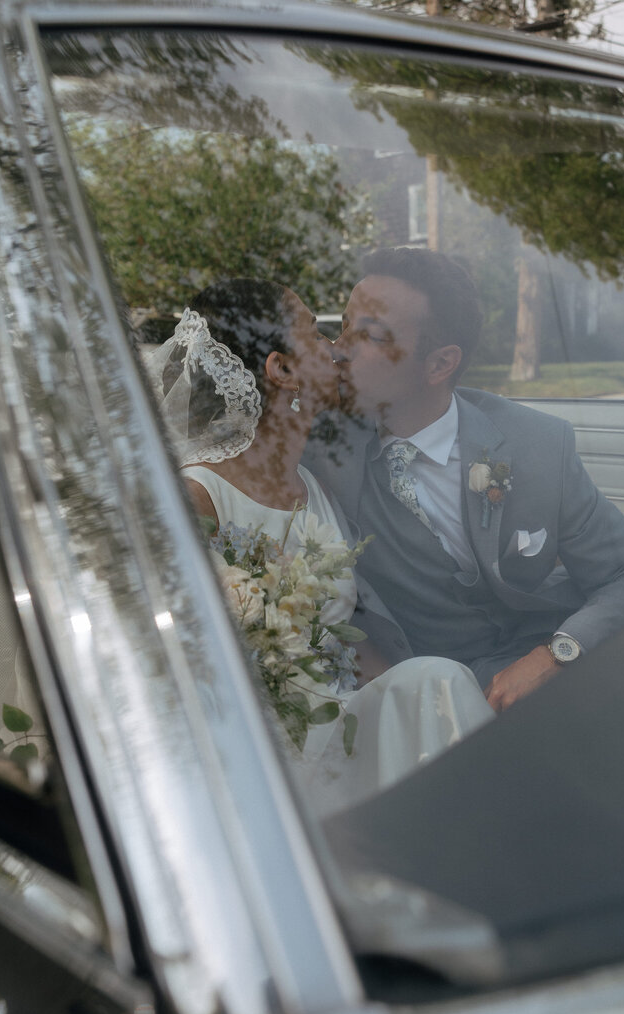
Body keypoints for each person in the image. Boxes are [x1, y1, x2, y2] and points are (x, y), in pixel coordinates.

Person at [146, 277, 493, 814]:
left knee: (437, 681)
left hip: (338, 722)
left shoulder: (319, 491)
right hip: (258, 752)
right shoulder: (197, 499)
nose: (335, 347)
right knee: (437, 684)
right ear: (282, 370)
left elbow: (353, 646)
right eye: (314, 332)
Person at [305, 247, 624, 710]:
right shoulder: (317, 447)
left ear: (440, 364)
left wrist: (559, 654)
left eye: (371, 335)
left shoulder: (537, 443)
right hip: (438, 695)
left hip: (557, 651)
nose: (340, 349)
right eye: (343, 327)